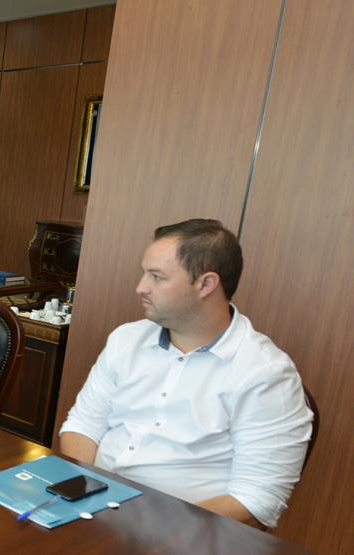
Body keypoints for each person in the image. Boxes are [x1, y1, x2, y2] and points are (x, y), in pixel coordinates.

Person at [59, 219, 312, 529]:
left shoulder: (266, 375)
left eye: (157, 277)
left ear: (205, 284)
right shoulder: (127, 339)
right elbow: (82, 425)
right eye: (144, 273)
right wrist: (94, 494)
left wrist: (157, 526)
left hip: (183, 533)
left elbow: (257, 499)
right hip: (94, 510)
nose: (141, 287)